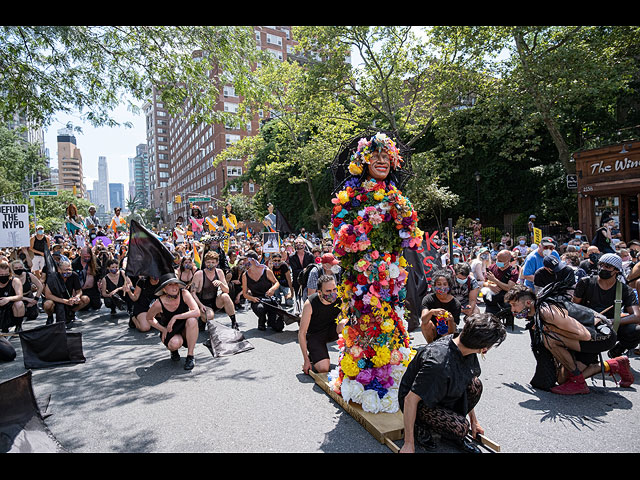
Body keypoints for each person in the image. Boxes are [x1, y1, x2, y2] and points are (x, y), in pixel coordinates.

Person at [398, 313, 506, 454]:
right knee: (461, 428)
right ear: (484, 348)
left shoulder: (467, 344)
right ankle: (422, 427)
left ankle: (448, 427)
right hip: (420, 403)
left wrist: (474, 421)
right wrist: (408, 444)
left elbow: (465, 380)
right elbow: (410, 400)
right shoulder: (438, 362)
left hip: (442, 392)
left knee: (475, 385)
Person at [506, 283, 631, 394]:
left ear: (528, 303)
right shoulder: (537, 311)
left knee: (550, 338)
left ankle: (578, 381)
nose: (513, 310)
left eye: (514, 305)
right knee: (562, 380)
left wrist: (551, 331)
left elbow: (584, 335)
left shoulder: (547, 312)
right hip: (583, 339)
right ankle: (616, 364)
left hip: (601, 337)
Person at [573, 253, 640, 360]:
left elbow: (637, 316)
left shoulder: (625, 290)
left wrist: (612, 321)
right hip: (588, 325)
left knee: (637, 330)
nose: (603, 268)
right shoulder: (585, 283)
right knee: (587, 362)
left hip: (612, 325)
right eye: (601, 265)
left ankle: (617, 351)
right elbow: (574, 307)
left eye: (607, 266)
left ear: (617, 270)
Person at [146, 273, 200, 370]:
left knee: (192, 320)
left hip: (184, 326)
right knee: (175, 343)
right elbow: (149, 318)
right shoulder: (159, 302)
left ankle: (190, 356)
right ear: (164, 289)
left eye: (175, 284)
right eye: (170, 285)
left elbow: (197, 312)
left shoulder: (184, 293)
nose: (174, 287)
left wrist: (176, 317)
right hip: (170, 329)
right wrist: (163, 329)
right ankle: (173, 351)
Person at [298, 275, 347, 374]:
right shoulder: (310, 304)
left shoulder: (339, 299)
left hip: (331, 331)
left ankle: (348, 356)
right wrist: (306, 360)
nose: (332, 293)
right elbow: (301, 333)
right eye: (328, 291)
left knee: (344, 323)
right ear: (319, 292)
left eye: (334, 289)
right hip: (315, 336)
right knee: (324, 368)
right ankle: (313, 355)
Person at [190, 251, 238, 331]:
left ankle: (234, 323)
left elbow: (227, 290)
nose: (210, 264)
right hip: (202, 303)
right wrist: (201, 305)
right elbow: (193, 293)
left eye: (213, 262)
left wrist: (221, 284)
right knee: (210, 316)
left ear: (217, 263)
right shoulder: (199, 274)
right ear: (205, 262)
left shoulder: (219, 272)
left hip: (214, 302)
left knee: (225, 296)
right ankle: (202, 320)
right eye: (208, 262)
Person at [241, 250, 282, 331]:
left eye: (245, 259)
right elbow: (245, 293)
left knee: (278, 327)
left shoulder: (266, 271)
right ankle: (262, 320)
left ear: (253, 260)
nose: (244, 262)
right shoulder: (245, 275)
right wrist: (252, 299)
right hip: (258, 300)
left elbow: (276, 282)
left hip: (269, 300)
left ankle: (271, 319)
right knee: (260, 308)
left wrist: (272, 289)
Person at [43, 259, 90, 326]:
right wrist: (64, 301)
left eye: (69, 269)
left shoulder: (74, 275)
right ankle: (50, 317)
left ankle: (72, 313)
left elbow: (79, 291)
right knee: (48, 304)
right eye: (65, 270)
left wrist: (76, 297)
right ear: (59, 270)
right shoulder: (52, 277)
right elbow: (48, 295)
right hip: (56, 300)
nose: (68, 272)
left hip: (70, 300)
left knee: (85, 299)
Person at [421, 270, 461, 343]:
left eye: (445, 284)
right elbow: (423, 321)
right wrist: (432, 312)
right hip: (433, 331)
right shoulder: (428, 299)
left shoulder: (455, 303)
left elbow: (452, 331)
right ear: (434, 285)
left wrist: (450, 320)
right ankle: (430, 346)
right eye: (439, 284)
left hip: (447, 334)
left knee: (446, 334)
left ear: (449, 286)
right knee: (426, 324)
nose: (442, 287)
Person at [483, 249, 519, 322]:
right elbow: (484, 283)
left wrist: (495, 280)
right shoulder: (492, 268)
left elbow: (509, 287)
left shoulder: (513, 272)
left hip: (505, 299)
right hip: (491, 299)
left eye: (501, 261)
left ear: (508, 260)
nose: (498, 262)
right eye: (497, 259)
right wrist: (490, 286)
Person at [11, 259, 42, 329]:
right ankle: (18, 326)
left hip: (29, 296)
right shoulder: (11, 278)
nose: (18, 269)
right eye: (16, 268)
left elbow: (40, 286)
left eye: (20, 267)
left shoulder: (29, 275)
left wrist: (36, 299)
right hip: (16, 299)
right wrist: (26, 299)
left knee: (33, 315)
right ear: (12, 269)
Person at [71, 246, 102, 311]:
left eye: (88, 256)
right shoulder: (75, 263)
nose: (87, 258)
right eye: (85, 256)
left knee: (97, 306)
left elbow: (100, 273)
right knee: (84, 306)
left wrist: (100, 281)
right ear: (80, 254)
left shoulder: (95, 261)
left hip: (93, 289)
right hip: (82, 289)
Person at [0, 261, 25, 333]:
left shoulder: (15, 281)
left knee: (19, 303)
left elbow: (20, 296)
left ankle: (18, 326)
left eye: (6, 274)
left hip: (11, 307)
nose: (4, 276)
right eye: (1, 274)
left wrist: (8, 299)